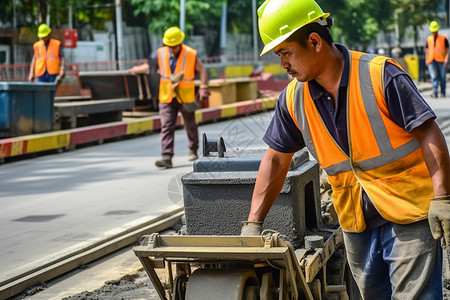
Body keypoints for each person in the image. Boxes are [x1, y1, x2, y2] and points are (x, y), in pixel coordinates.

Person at [241, 0, 450, 299]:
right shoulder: (292, 100)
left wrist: (442, 198)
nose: (283, 64)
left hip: (409, 212)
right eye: (279, 55)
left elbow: (428, 131)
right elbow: (276, 159)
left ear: (314, 41)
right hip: (356, 221)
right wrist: (253, 223)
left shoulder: (381, 76)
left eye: (286, 52)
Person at [129, 26, 209, 169]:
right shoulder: (160, 53)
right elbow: (149, 66)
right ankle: (166, 157)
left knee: (190, 124)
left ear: (180, 44)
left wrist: (203, 87)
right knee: (166, 126)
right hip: (167, 96)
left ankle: (193, 149)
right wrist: (136, 69)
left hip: (185, 97)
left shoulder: (190, 54)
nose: (171, 49)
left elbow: (202, 69)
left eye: (174, 46)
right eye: (169, 46)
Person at [425, 20, 449, 98]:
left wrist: (446, 59)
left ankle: (442, 93)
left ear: (437, 30)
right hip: (431, 60)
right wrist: (426, 59)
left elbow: (447, 50)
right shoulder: (429, 39)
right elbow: (427, 50)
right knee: (433, 77)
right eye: (432, 31)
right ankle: (435, 92)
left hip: (441, 60)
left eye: (435, 31)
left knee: (442, 77)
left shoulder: (443, 38)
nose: (434, 32)